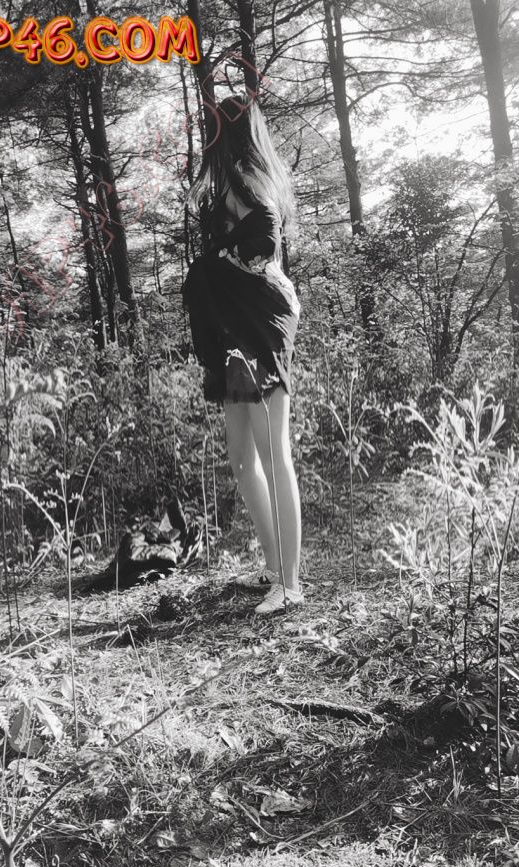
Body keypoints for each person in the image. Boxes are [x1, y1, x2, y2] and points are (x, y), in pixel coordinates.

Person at [181, 93, 303, 615]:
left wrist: (222, 259)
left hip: (260, 322)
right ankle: (275, 569)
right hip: (238, 323)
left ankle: (290, 584)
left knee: (272, 452)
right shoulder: (232, 179)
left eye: (211, 125)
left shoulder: (249, 180)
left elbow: (264, 242)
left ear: (225, 130)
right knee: (241, 456)